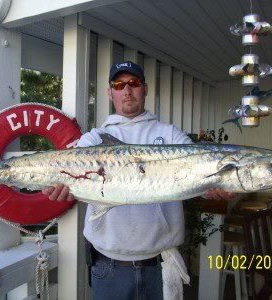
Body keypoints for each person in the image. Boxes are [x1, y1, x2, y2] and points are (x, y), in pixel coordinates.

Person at [42, 61, 235, 299]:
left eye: (133, 83)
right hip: (108, 266)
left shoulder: (170, 134)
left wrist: (211, 187)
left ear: (144, 89)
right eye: (119, 84)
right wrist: (60, 189)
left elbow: (195, 175)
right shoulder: (92, 139)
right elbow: (76, 183)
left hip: (160, 264)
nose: (127, 90)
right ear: (110, 92)